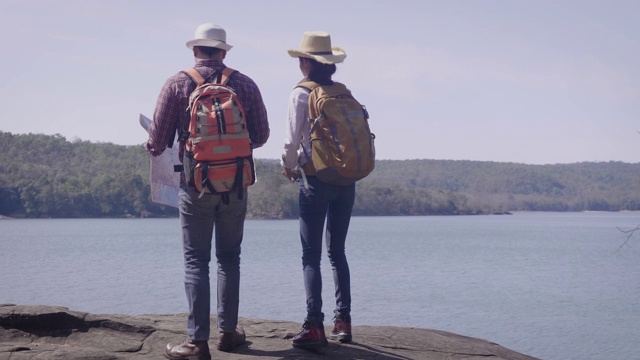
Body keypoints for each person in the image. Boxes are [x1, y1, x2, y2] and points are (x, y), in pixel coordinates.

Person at [145, 23, 270, 360]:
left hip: (195, 185)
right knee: (229, 258)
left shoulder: (176, 83)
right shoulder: (244, 83)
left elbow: (157, 143)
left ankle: (197, 343)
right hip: (236, 185)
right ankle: (228, 334)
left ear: (195, 50)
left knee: (195, 261)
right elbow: (260, 135)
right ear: (224, 51)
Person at [281, 31, 354, 349]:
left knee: (311, 256)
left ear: (307, 63)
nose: (299, 63)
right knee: (337, 252)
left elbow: (291, 140)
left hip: (315, 179)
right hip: (346, 179)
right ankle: (344, 321)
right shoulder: (342, 91)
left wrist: (289, 165)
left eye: (301, 59)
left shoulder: (301, 93)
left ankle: (314, 326)